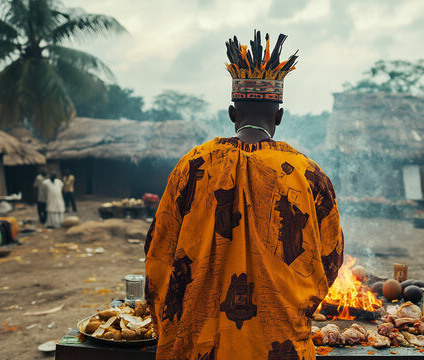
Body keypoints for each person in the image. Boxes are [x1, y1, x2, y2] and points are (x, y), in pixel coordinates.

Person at [145, 31, 344, 360]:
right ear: (278, 117)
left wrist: (168, 319)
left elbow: (159, 251)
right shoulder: (308, 174)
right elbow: (331, 258)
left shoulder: (193, 165)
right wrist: (296, 305)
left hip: (199, 344)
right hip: (280, 343)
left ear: (232, 113)